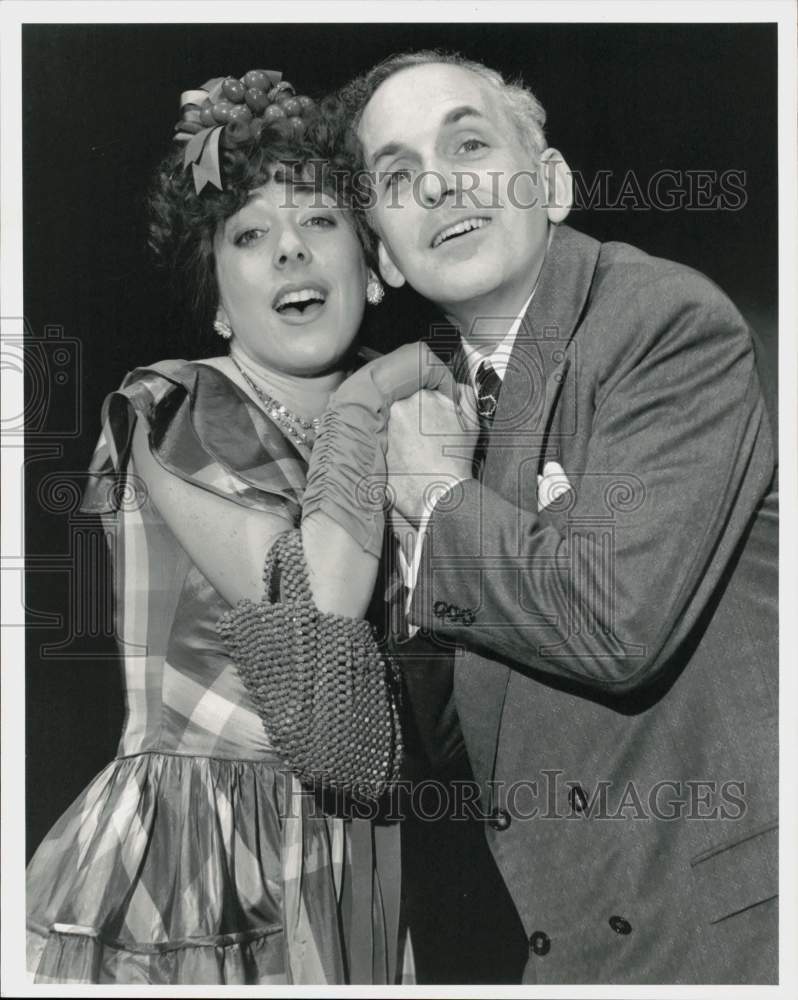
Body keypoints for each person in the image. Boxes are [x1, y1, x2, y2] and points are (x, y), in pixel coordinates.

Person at [337, 51, 779, 984]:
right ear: (382, 252)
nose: (442, 184)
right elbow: (463, 738)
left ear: (553, 182)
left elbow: (615, 622)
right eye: (399, 176)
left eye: (469, 142)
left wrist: (431, 499)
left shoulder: (659, 320)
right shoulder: (454, 408)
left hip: (724, 944)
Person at [24, 68, 454, 986]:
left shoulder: (413, 423)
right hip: (203, 860)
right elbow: (321, 600)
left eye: (321, 222)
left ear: (375, 269)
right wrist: (375, 392)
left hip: (362, 860)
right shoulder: (176, 407)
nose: (290, 253)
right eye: (250, 235)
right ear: (218, 297)